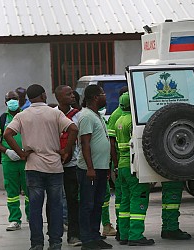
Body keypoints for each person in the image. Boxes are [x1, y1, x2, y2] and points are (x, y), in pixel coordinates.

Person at [3, 84, 78, 250]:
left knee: (35, 209)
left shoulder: (22, 115)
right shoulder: (55, 113)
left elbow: (7, 134)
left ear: (29, 98)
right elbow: (73, 128)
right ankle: (55, 242)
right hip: (54, 167)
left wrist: (21, 153)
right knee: (56, 207)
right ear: (44, 95)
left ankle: (37, 244)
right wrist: (66, 150)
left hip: (33, 167)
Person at [116, 93, 154, 246]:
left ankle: (124, 234)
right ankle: (136, 235)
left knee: (125, 201)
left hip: (122, 165)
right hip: (134, 166)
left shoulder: (119, 119)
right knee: (139, 199)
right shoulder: (134, 121)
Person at [77, 85, 112, 250]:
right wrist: (90, 168)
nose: (106, 96)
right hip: (89, 170)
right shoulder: (86, 116)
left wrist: (106, 168)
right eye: (103, 94)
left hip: (101, 168)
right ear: (95, 97)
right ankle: (87, 239)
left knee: (98, 203)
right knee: (87, 204)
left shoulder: (97, 115)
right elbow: (85, 143)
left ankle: (95, 236)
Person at [0, 91, 29, 231]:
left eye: (15, 99)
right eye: (9, 99)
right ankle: (14, 220)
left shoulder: (26, 116)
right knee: (12, 192)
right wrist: (7, 151)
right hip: (9, 161)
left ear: (20, 101)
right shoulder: (1, 119)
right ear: (5, 102)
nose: (12, 101)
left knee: (30, 190)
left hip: (26, 159)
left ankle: (32, 218)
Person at [54, 85, 81, 246]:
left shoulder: (77, 115)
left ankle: (74, 235)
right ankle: (55, 235)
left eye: (72, 93)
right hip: (54, 164)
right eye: (68, 94)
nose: (73, 96)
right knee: (54, 200)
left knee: (73, 200)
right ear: (59, 98)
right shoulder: (52, 114)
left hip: (72, 164)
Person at [102, 86, 128, 239]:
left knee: (122, 197)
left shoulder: (121, 114)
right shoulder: (118, 115)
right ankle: (121, 227)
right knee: (122, 198)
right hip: (120, 162)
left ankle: (122, 227)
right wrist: (114, 166)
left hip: (120, 163)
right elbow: (112, 144)